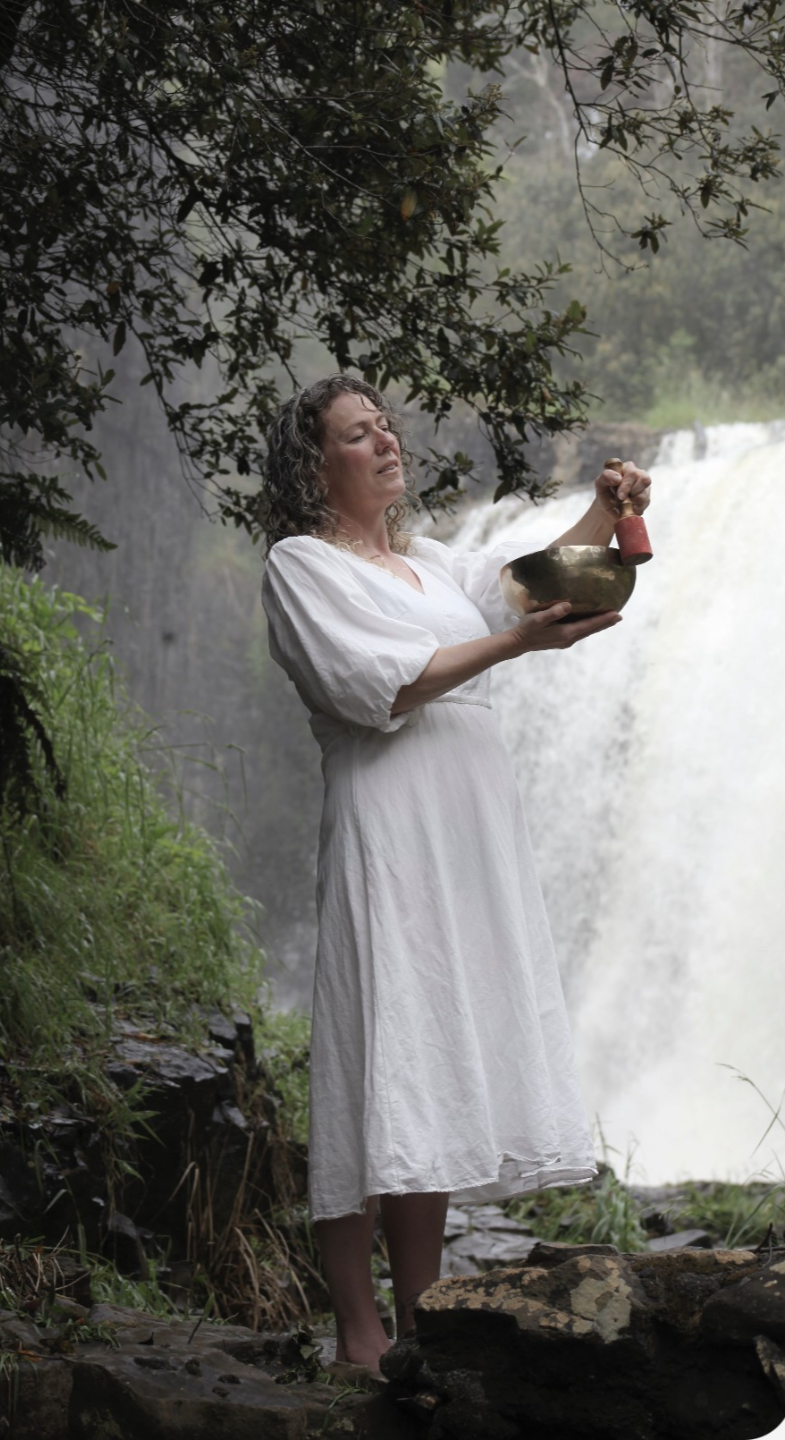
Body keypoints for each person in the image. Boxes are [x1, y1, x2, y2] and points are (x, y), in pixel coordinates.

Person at [259, 374, 651, 1375]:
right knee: (372, 1055)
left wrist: (601, 515)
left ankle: (423, 1319)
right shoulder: (301, 564)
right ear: (316, 466)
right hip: (390, 824)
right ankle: (358, 1331)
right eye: (357, 435)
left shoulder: (429, 565)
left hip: (466, 832)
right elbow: (364, 687)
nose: (385, 443)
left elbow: (529, 586)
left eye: (385, 427)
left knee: (425, 1059)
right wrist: (510, 647)